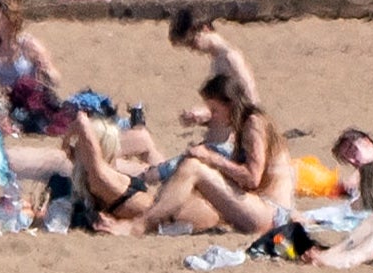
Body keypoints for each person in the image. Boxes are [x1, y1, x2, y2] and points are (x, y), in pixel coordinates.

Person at [93, 72, 293, 236]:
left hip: (271, 214)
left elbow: (252, 178)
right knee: (193, 178)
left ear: (231, 105)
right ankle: (144, 218)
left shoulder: (254, 124)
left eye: (215, 110)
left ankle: (139, 225)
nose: (213, 116)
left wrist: (211, 158)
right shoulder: (247, 124)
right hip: (263, 210)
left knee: (194, 167)